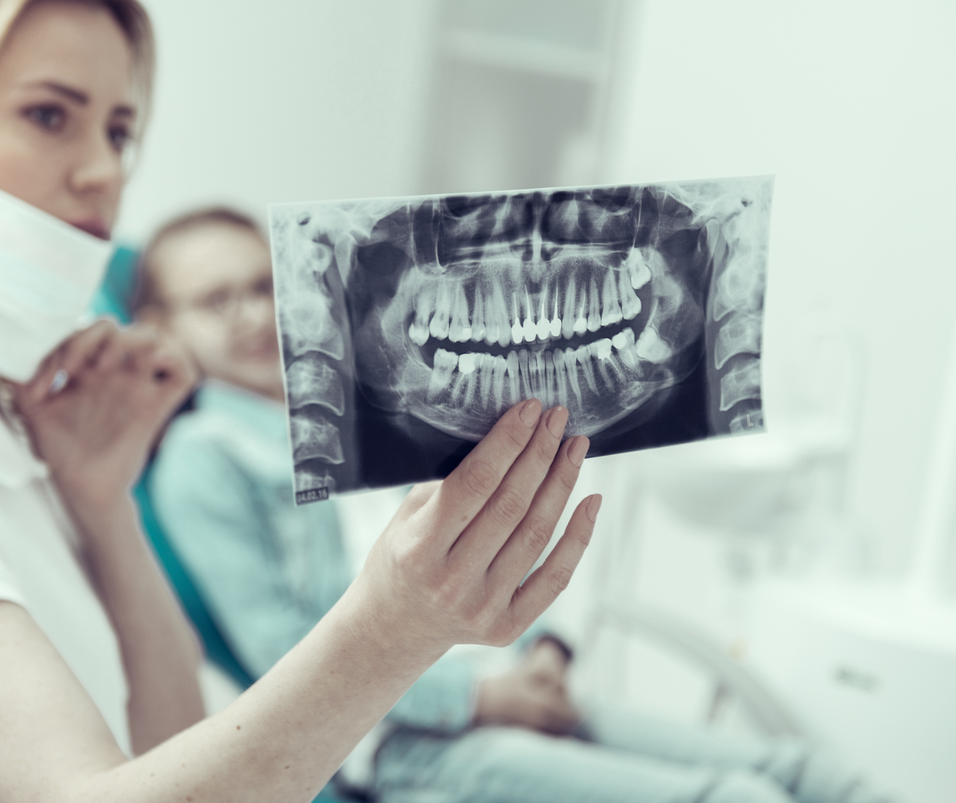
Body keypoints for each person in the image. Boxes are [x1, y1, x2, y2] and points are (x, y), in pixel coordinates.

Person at [0, 2, 601, 802]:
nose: (103, 172)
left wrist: (102, 502)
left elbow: (171, 736)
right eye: (49, 115)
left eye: (118, 130)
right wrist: (390, 630)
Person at [139, 208, 896, 803]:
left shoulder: (381, 407)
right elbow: (280, 646)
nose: (246, 312)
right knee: (731, 795)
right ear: (161, 326)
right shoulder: (204, 458)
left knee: (798, 771)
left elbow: (491, 542)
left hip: (513, 679)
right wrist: (479, 697)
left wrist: (546, 651)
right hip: (402, 735)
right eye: (213, 299)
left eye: (262, 285)